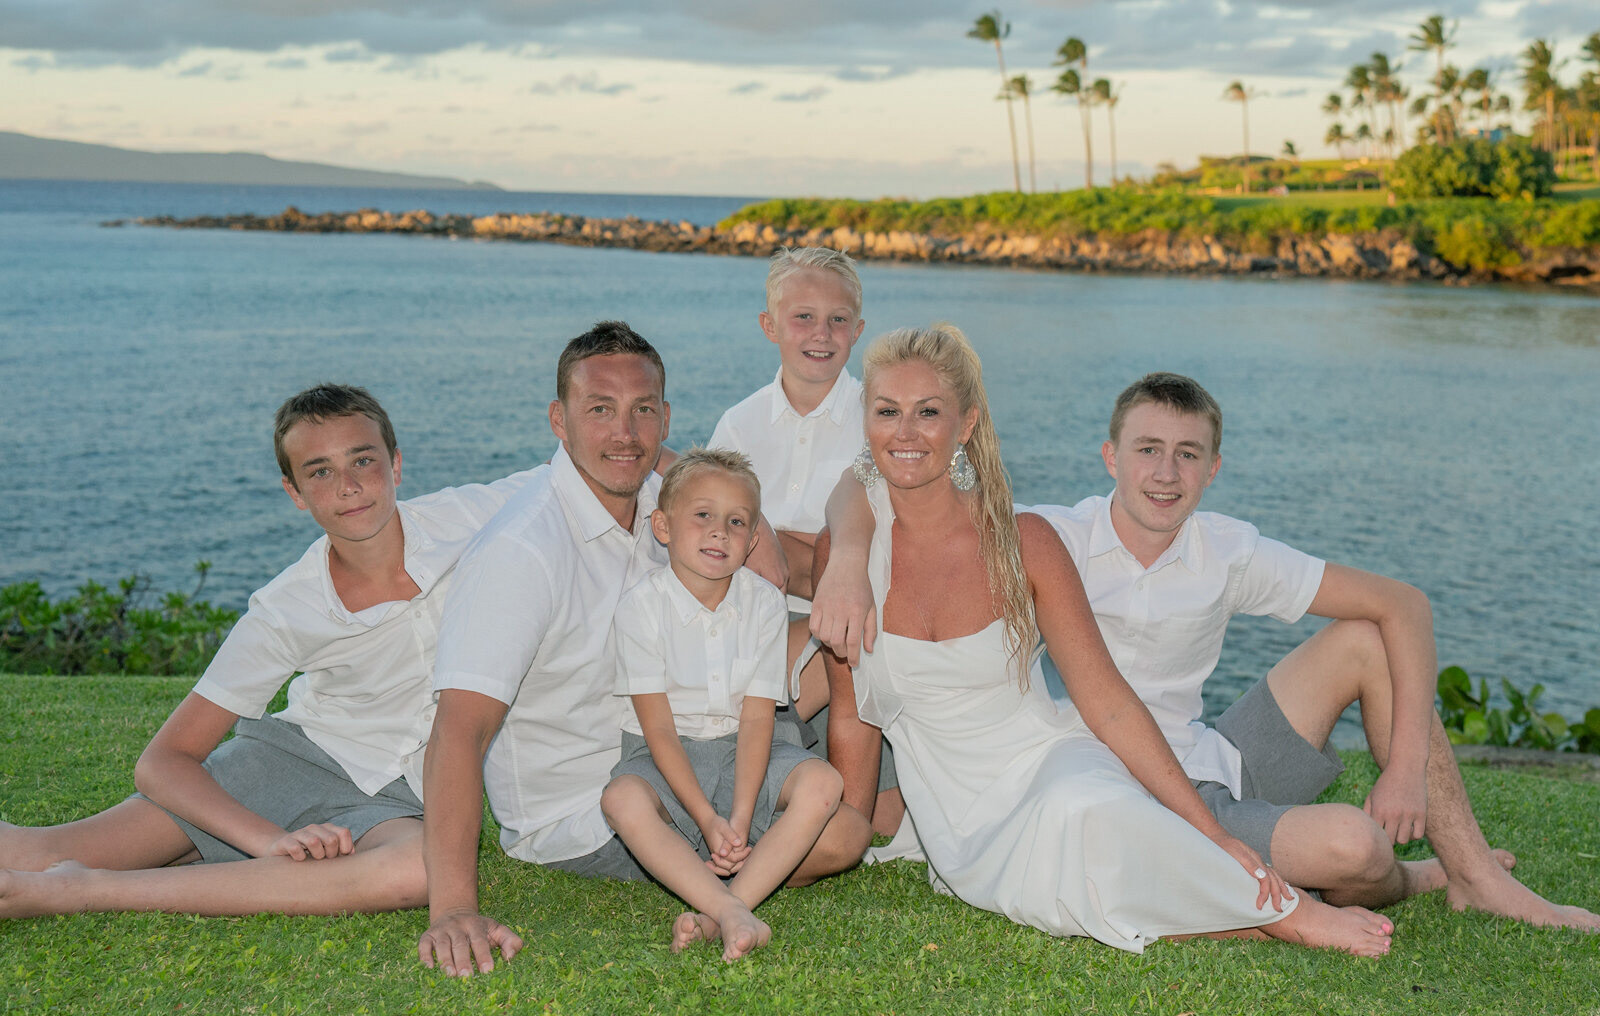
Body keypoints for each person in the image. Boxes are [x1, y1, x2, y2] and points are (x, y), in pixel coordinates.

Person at [816, 369, 1600, 931]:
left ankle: (1477, 879)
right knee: (1353, 848)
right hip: (1113, 784)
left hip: (1214, 757)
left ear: (1213, 469)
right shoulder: (1047, 537)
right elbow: (876, 483)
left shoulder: (1229, 549)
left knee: (1366, 637)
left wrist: (1402, 770)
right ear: (1110, 458)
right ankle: (1416, 877)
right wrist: (846, 559)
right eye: (1147, 449)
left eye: (1188, 454)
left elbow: (1406, 605)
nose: (1165, 473)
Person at [812, 323, 1394, 955]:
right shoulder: (845, 556)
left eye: (929, 412)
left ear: (967, 424)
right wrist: (850, 825)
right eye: (887, 411)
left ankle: (1285, 915)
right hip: (955, 810)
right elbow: (850, 717)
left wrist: (1213, 832)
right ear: (865, 421)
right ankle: (1260, 912)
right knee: (1060, 870)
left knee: (1084, 808)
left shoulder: (1023, 540)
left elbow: (1107, 700)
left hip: (1049, 759)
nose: (906, 432)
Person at [416, 323, 870, 979]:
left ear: (665, 418)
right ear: (559, 420)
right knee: (839, 835)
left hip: (696, 735)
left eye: (643, 410)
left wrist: (789, 541)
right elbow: (459, 729)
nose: (624, 433)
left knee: (839, 647)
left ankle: (733, 886)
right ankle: (730, 899)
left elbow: (714, 509)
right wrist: (453, 905)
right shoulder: (523, 551)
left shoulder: (660, 501)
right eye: (600, 409)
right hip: (592, 800)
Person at [0, 384, 534, 919]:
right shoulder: (286, 608)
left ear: (396, 465)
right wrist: (267, 842)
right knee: (30, 852)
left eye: (362, 460)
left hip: (398, 801)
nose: (348, 486)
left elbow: (575, 474)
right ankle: (187, 860)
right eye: (320, 471)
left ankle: (85, 890)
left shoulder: (467, 515)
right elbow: (163, 762)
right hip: (279, 767)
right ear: (295, 492)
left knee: (418, 871)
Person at [600, 449, 844, 962]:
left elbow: (758, 716)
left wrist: (739, 811)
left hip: (749, 747)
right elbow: (658, 730)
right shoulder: (640, 608)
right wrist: (707, 819)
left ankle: (726, 910)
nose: (720, 532)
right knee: (621, 797)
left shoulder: (764, 603)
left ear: (753, 540)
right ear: (663, 526)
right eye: (703, 515)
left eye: (737, 522)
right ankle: (731, 910)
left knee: (824, 783)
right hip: (666, 753)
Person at [708, 246, 903, 835]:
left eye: (839, 320)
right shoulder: (739, 424)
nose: (822, 334)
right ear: (770, 326)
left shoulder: (882, 418)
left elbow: (887, 539)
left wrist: (780, 538)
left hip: (857, 625)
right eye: (803, 318)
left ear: (859, 331)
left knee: (890, 823)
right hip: (760, 626)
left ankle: (827, 794)